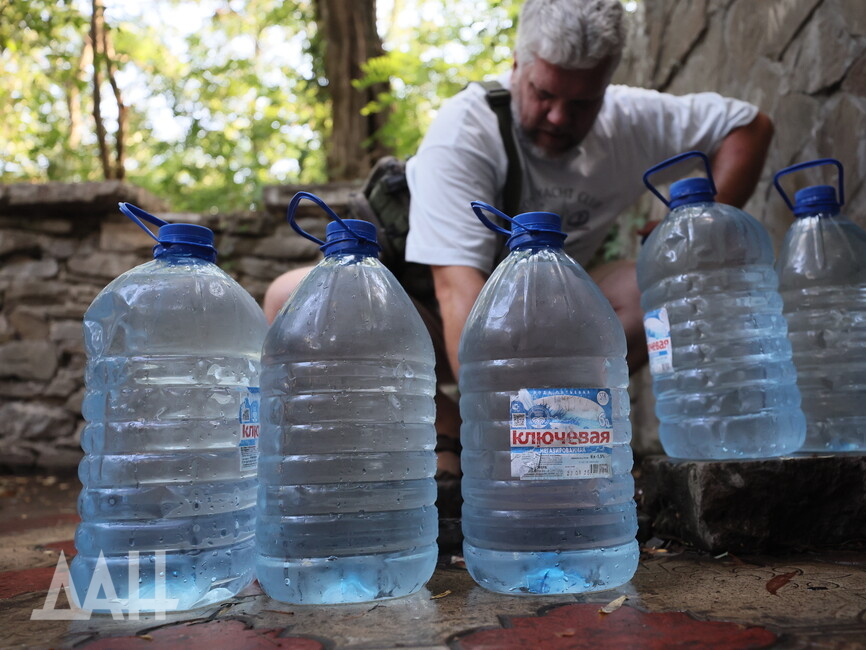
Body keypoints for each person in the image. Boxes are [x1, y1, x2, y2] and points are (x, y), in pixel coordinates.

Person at [263, 0, 774, 477]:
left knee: (659, 290)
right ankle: (446, 424)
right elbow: (459, 295)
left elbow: (749, 127)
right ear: (516, 65)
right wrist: (498, 436)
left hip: (545, 320)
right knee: (292, 299)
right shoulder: (466, 132)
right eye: (544, 94)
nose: (559, 117)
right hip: (418, 326)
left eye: (581, 102)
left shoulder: (633, 120)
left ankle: (571, 426)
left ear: (607, 83)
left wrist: (689, 224)